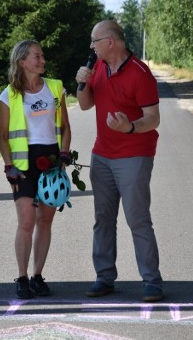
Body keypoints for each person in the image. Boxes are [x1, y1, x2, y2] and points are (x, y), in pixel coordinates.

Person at [75, 20, 164, 302]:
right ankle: (104, 277)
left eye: (94, 40)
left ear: (110, 42)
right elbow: (85, 104)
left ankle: (151, 281)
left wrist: (129, 127)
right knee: (103, 219)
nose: (91, 46)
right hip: (102, 154)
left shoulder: (141, 73)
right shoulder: (98, 66)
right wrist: (82, 84)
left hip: (134, 154)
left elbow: (153, 118)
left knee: (137, 219)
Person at [0, 40, 72, 299]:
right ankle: (21, 277)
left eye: (42, 56)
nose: (42, 60)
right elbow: (3, 135)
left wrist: (64, 153)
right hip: (23, 163)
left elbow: (65, 127)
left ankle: (38, 275)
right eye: (37, 56)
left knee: (45, 220)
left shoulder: (55, 87)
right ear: (22, 61)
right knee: (27, 222)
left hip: (51, 158)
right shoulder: (10, 94)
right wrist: (9, 166)